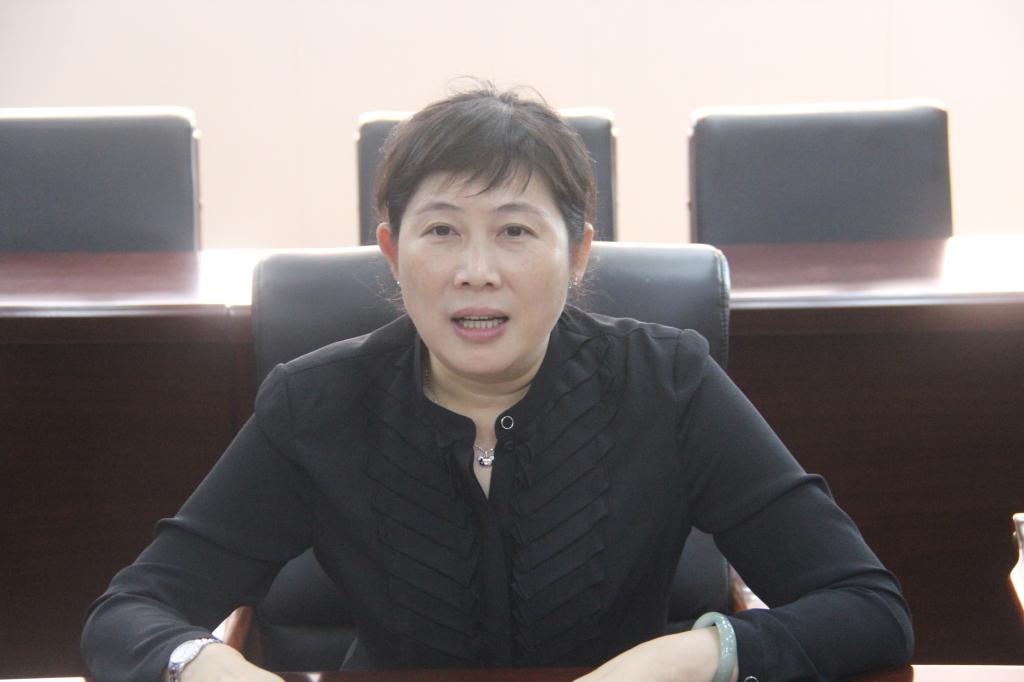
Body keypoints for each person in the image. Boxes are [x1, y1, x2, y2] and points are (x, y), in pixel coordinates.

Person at [81, 82, 913, 682]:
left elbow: (869, 607)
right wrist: (209, 665)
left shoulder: (668, 384)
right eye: (441, 231)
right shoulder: (317, 404)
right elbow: (127, 616)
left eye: (515, 231)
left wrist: (695, 655)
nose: (475, 270)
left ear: (578, 254)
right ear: (392, 253)